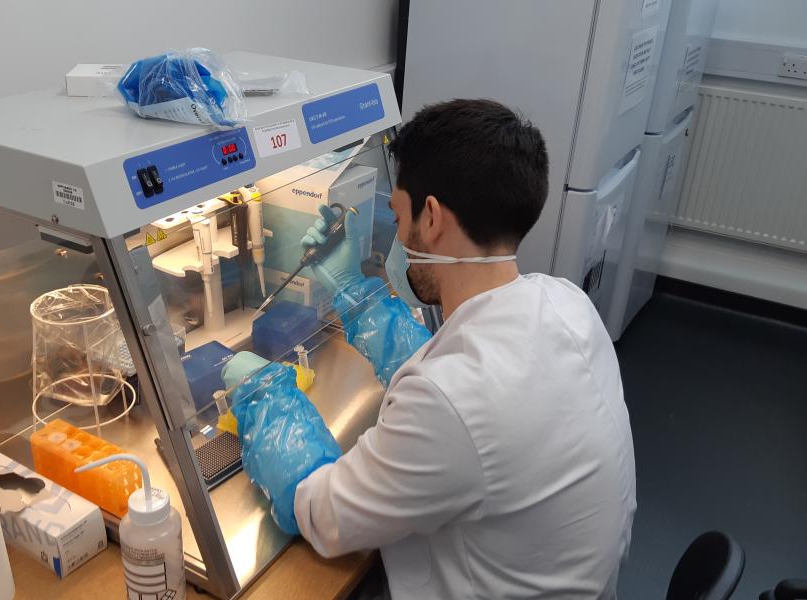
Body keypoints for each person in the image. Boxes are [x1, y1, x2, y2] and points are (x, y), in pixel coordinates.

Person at [222, 99, 636, 599]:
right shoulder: (567, 304)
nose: (398, 235)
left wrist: (261, 393)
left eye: (398, 216)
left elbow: (321, 513)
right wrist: (351, 288)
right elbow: (451, 369)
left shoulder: (450, 403)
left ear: (433, 216)